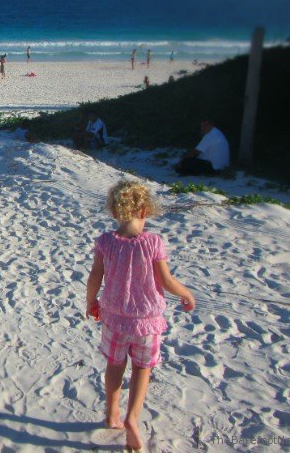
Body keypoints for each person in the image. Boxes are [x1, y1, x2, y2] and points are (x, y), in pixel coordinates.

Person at [86, 180, 195, 450]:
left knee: (114, 364)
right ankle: (132, 419)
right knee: (141, 368)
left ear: (114, 212)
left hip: (114, 316)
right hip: (147, 321)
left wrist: (91, 301)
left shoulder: (105, 242)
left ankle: (112, 414)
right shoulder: (153, 243)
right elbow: (167, 281)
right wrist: (187, 293)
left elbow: (95, 277)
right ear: (145, 211)